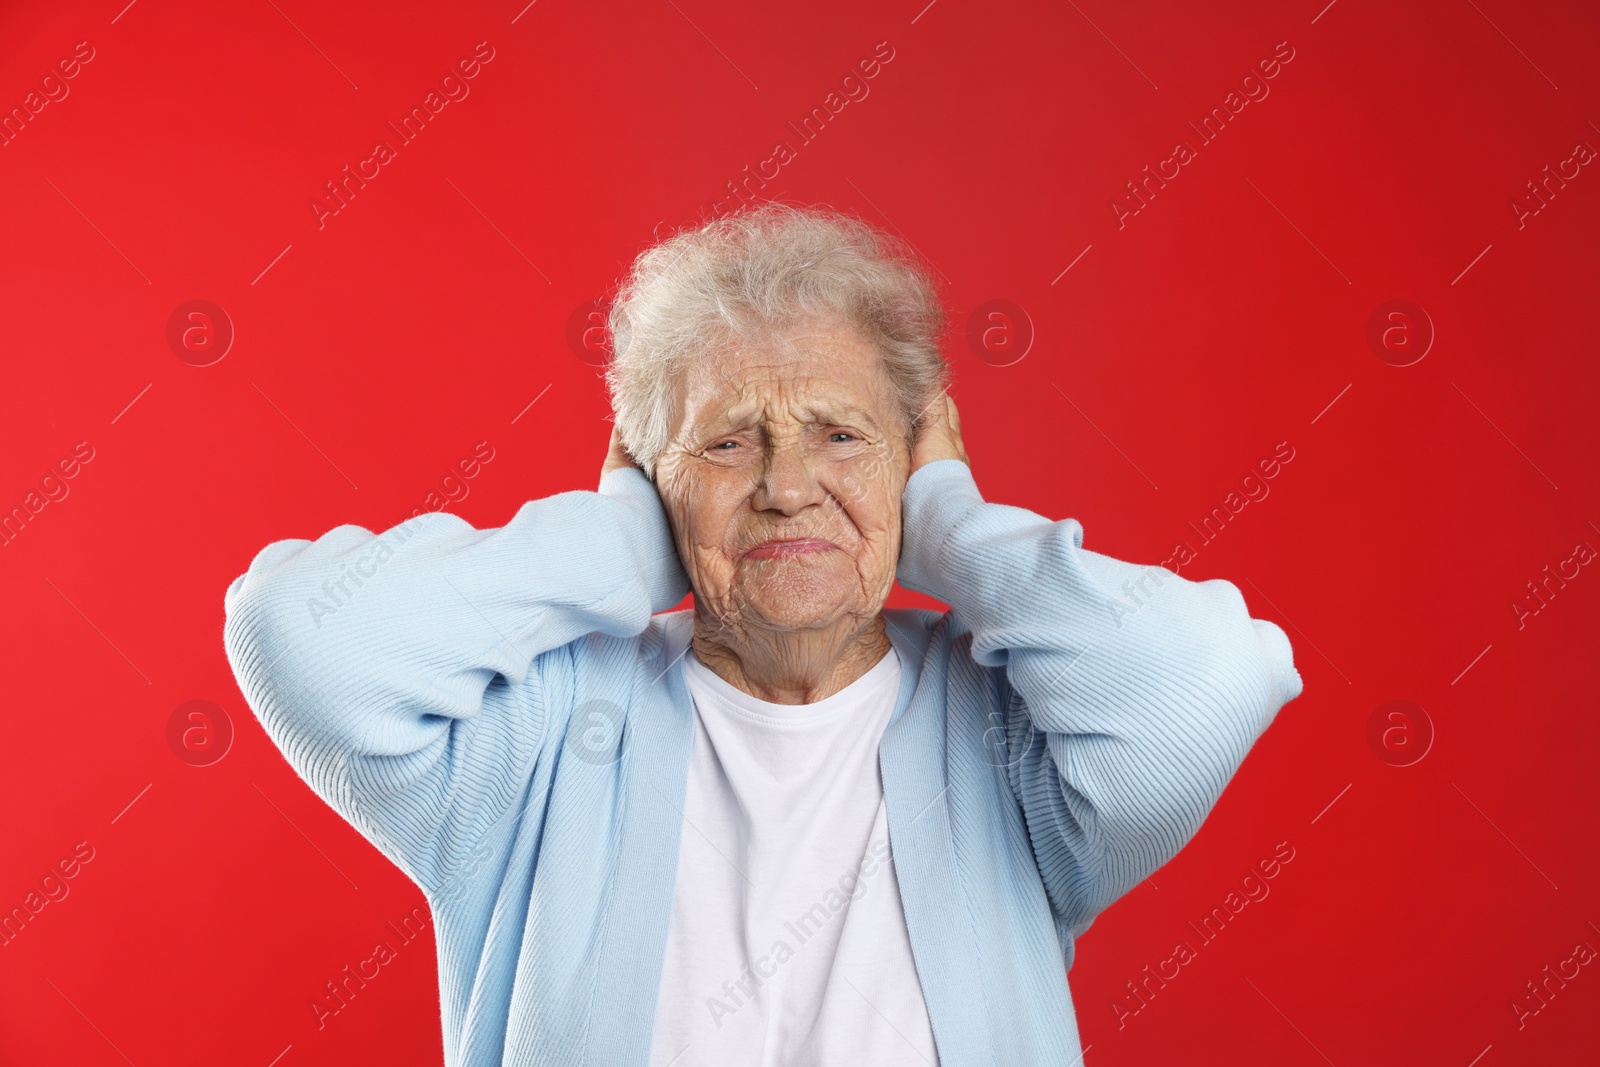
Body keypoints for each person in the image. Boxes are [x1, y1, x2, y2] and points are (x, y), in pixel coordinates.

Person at [223, 203, 1304, 1066]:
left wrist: (949, 528)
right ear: (650, 476)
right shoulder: (537, 740)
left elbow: (1213, 675)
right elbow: (300, 635)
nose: (788, 487)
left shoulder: (1013, 739)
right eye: (729, 444)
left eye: (842, 436)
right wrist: (616, 546)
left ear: (914, 457)